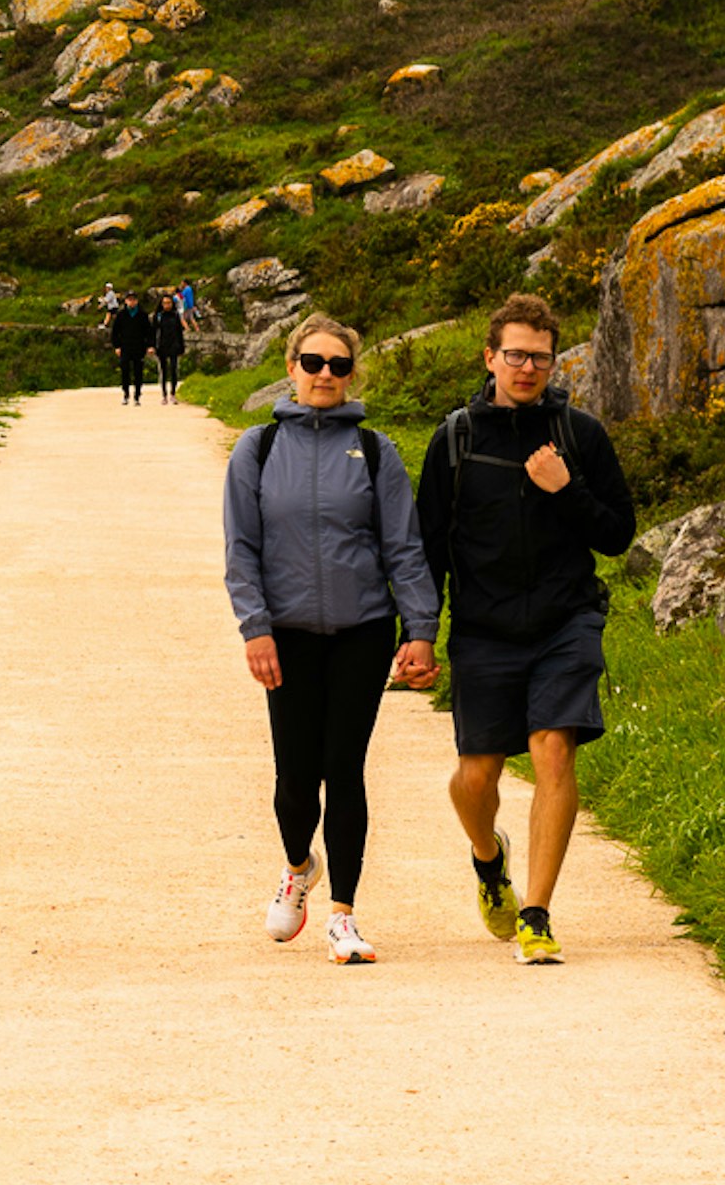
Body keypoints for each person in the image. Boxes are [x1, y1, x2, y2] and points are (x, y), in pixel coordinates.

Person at [418, 294, 635, 966]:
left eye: (539, 356)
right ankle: (490, 859)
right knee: (474, 776)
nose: (527, 366)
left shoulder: (579, 435)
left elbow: (618, 533)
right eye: (514, 353)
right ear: (490, 356)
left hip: (566, 619)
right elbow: (426, 546)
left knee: (552, 749)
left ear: (552, 360)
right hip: (483, 629)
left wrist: (566, 486)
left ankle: (537, 913)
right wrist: (419, 633)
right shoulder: (454, 438)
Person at [225, 316, 438, 965]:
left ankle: (344, 916)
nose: (324, 373)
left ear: (351, 374)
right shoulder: (256, 450)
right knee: (295, 779)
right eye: (313, 361)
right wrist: (255, 626)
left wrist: (421, 630)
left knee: (344, 769)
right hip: (286, 635)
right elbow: (242, 550)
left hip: (362, 633)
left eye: (337, 364)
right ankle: (299, 867)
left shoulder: (376, 453)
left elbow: (405, 547)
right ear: (290, 367)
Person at [109, 288, 152, 405]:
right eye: (129, 300)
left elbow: (149, 332)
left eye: (133, 300)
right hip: (125, 347)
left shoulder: (142, 315)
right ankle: (126, 394)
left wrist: (150, 346)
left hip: (139, 347)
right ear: (126, 301)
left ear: (137, 301)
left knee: (138, 371)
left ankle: (137, 395)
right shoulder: (121, 315)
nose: (131, 302)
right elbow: (115, 332)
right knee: (125, 371)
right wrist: (117, 346)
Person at [149, 283, 190, 405]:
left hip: (174, 346)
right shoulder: (158, 316)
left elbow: (179, 332)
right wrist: (151, 346)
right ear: (161, 304)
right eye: (165, 303)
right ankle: (164, 395)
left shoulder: (176, 315)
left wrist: (181, 347)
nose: (167, 305)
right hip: (161, 346)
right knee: (163, 371)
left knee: (173, 370)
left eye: (169, 303)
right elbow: (153, 332)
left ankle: (173, 393)